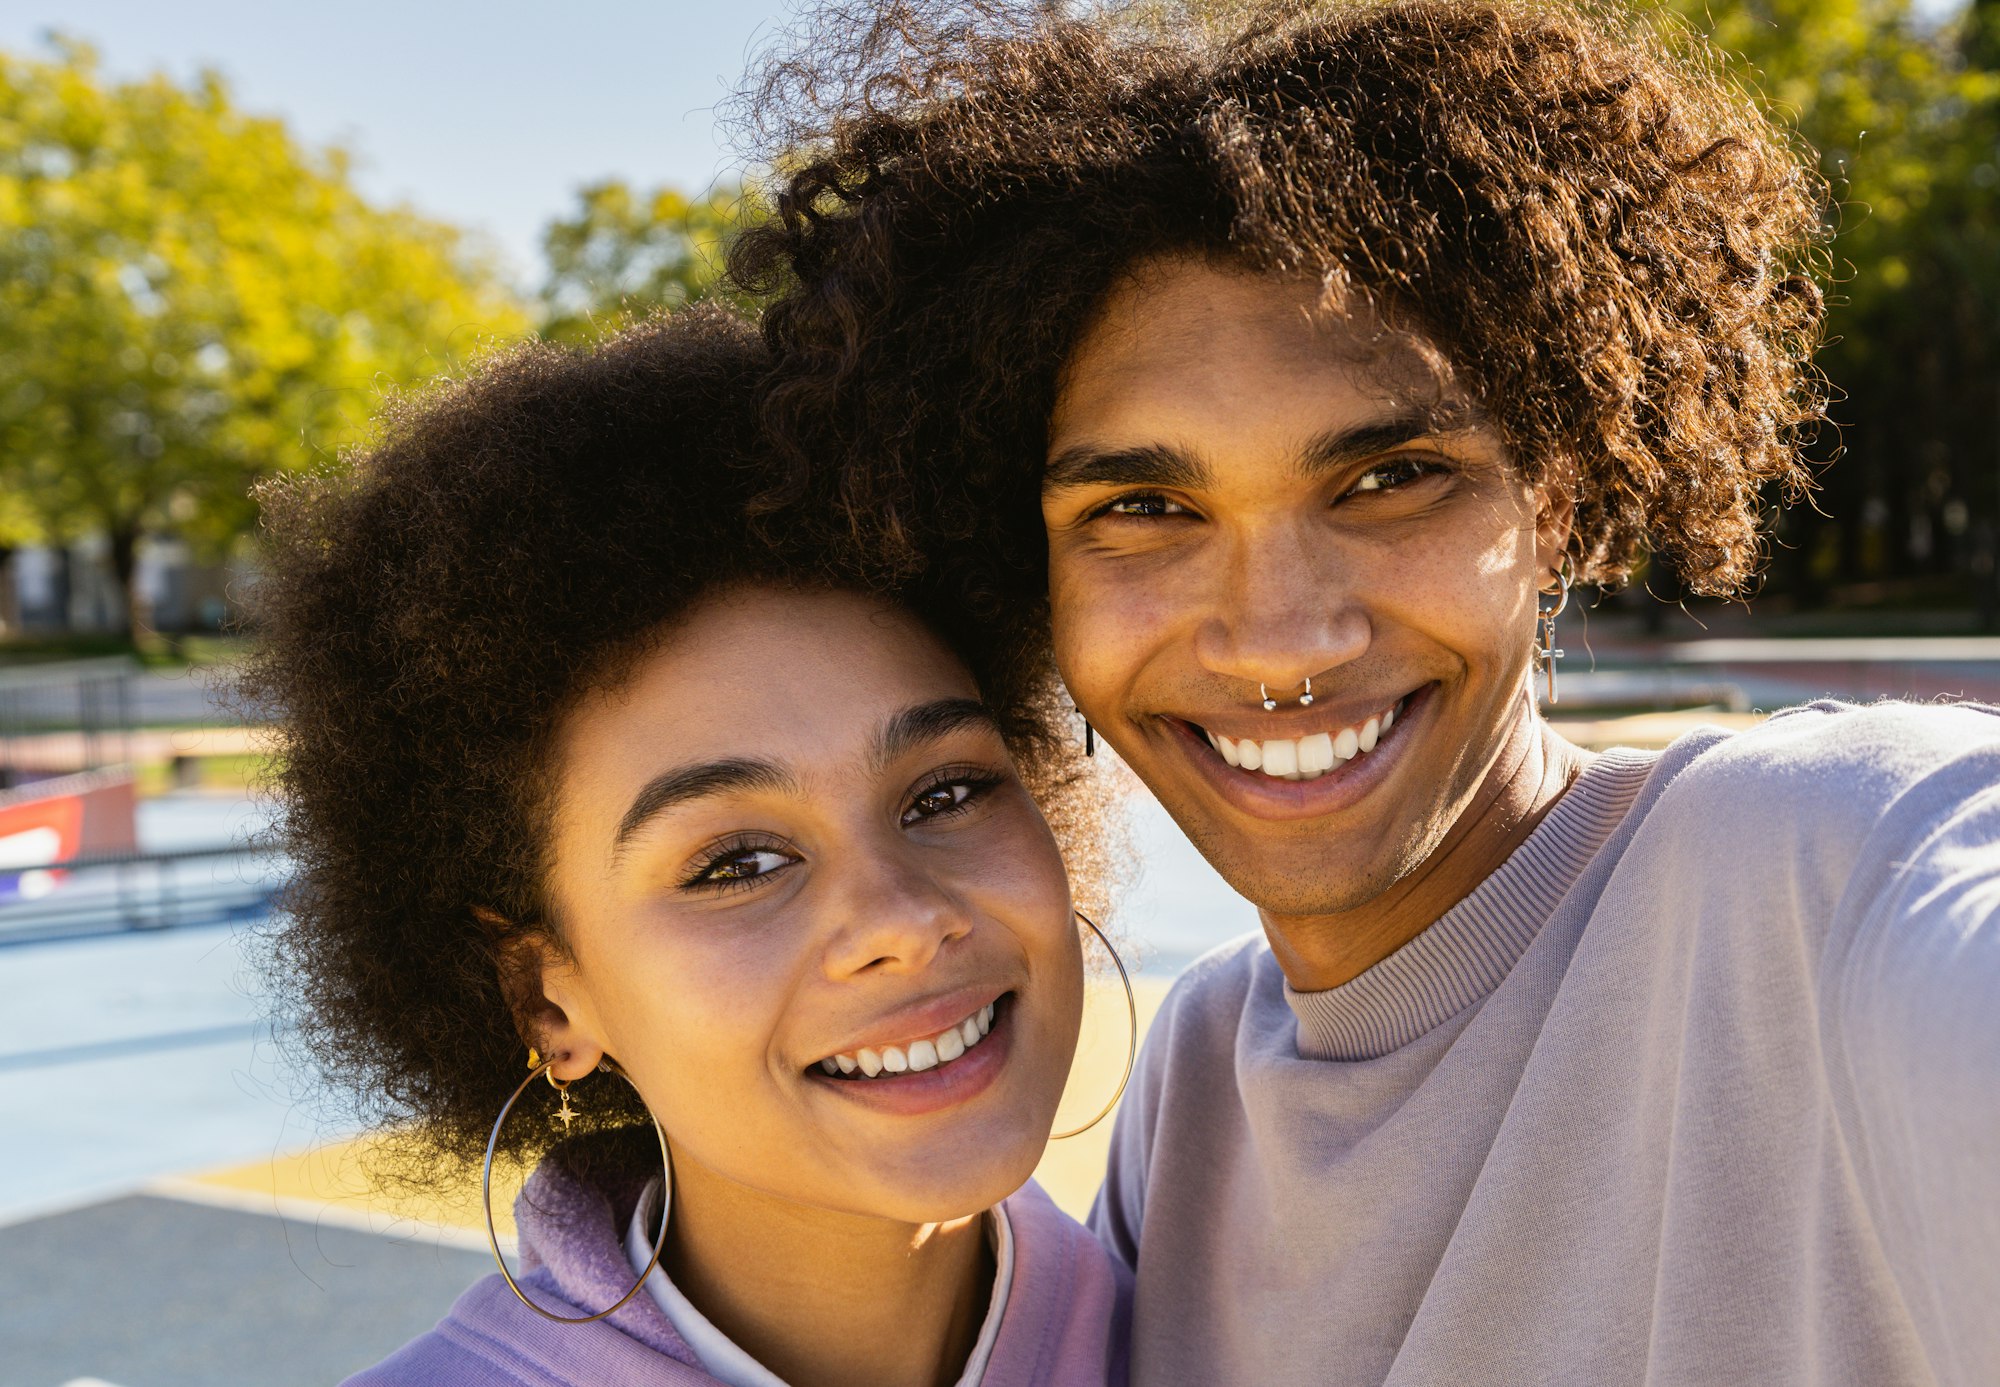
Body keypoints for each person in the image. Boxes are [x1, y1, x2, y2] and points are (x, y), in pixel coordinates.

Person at [732, 2, 2000, 1382]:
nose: (1279, 638)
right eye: (1145, 505)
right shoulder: (1199, 1080)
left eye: (1389, 478)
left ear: (1555, 496)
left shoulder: (1840, 867)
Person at [245, 305, 1130, 1387]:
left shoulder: (1239, 1330)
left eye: (945, 790)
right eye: (736, 864)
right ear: (546, 1000)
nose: (901, 918)